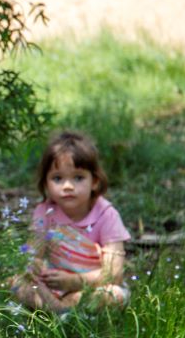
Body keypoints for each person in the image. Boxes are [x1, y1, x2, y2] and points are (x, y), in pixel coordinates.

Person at [10, 131, 131, 312]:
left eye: (78, 177)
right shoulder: (45, 211)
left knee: (114, 294)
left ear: (95, 182)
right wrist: (34, 266)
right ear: (46, 184)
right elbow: (33, 253)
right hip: (53, 287)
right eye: (58, 178)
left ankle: (56, 312)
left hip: (89, 287)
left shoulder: (106, 215)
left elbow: (114, 273)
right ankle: (63, 312)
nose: (68, 186)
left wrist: (73, 281)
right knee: (17, 282)